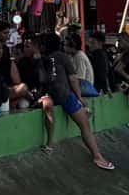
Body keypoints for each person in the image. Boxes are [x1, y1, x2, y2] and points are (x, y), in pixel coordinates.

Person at [30, 35, 115, 171]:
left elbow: (42, 79)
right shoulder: (63, 57)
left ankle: (49, 144)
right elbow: (73, 79)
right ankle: (97, 156)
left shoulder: (41, 59)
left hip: (49, 95)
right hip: (65, 95)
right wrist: (79, 97)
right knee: (85, 127)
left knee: (49, 111)